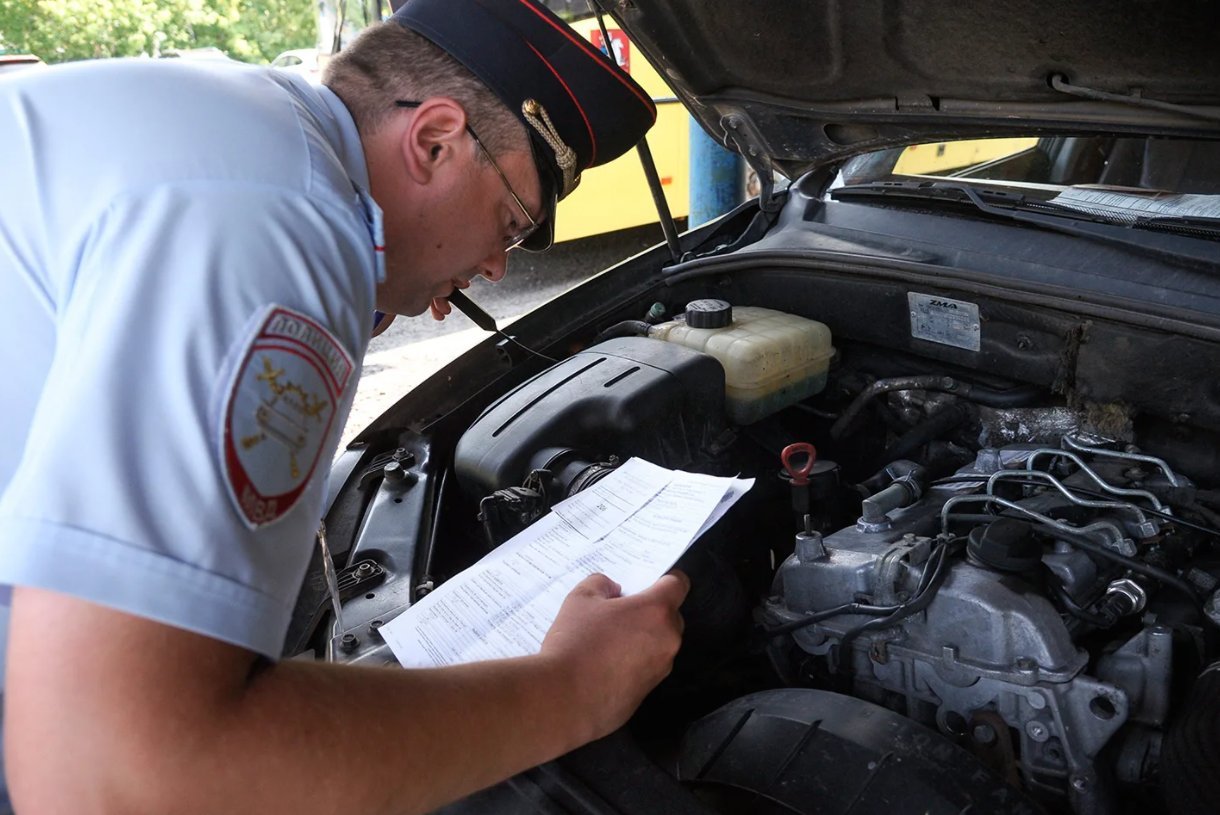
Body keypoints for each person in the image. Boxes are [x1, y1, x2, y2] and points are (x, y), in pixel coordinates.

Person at [0, 0, 690, 811]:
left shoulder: (248, 132)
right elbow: (114, 772)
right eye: (510, 221)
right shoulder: (283, 215)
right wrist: (571, 689)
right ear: (435, 141)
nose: (497, 266)